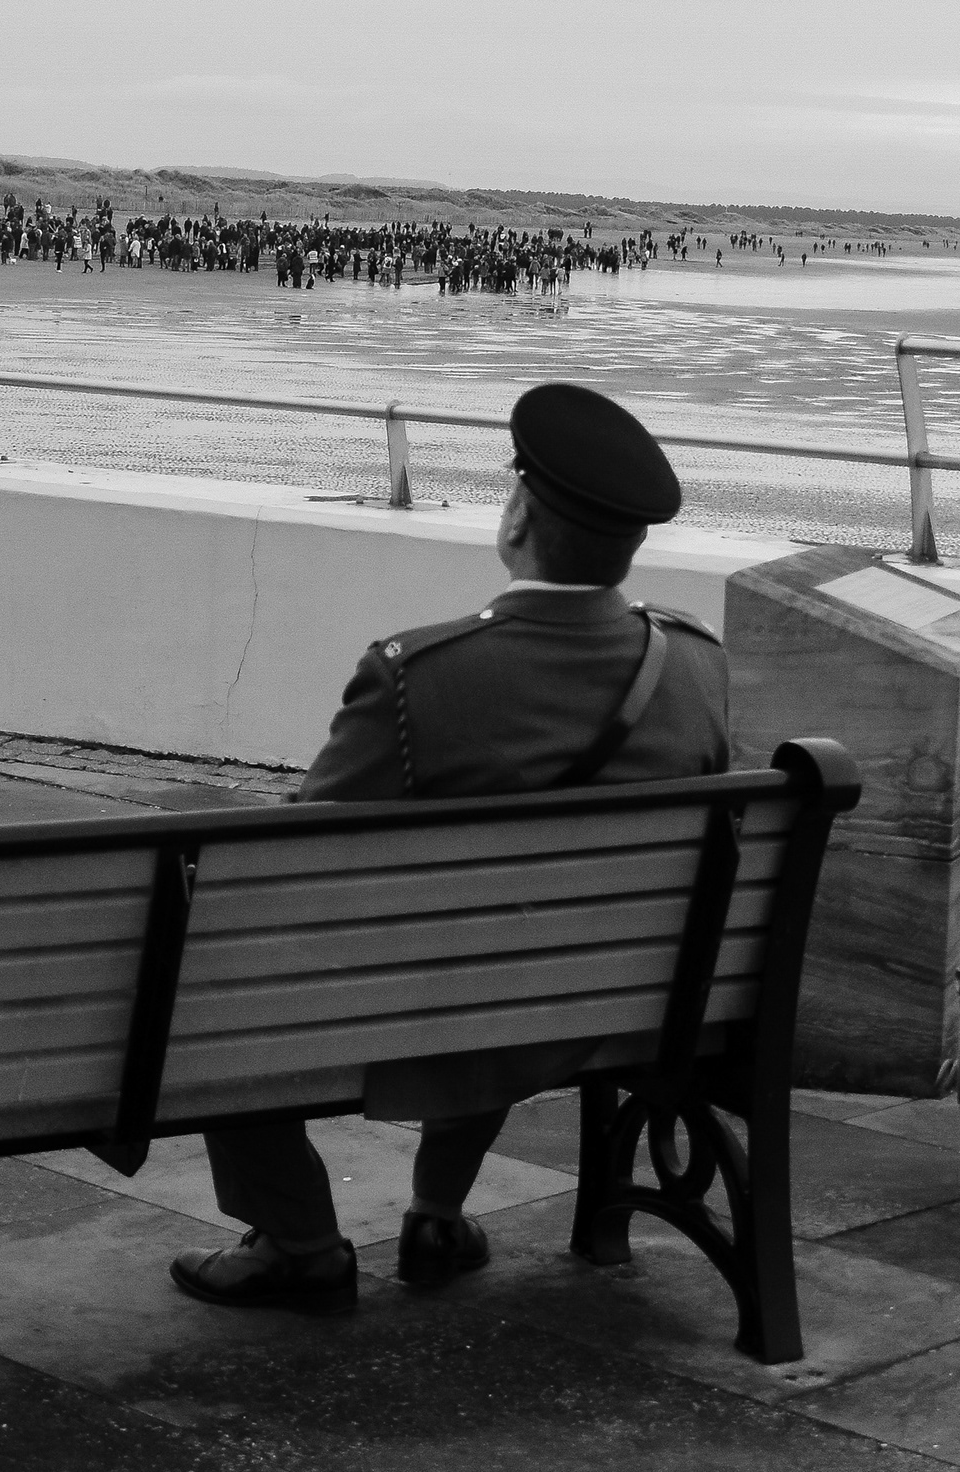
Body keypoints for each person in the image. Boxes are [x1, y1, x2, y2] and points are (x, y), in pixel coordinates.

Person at [169, 382, 728, 1315]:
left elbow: (295, 865)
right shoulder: (698, 663)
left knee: (221, 964)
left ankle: (302, 1240)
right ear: (632, 542)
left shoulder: (420, 677)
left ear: (516, 516)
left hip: (445, 996)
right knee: (517, 939)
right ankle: (435, 1212)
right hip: (622, 997)